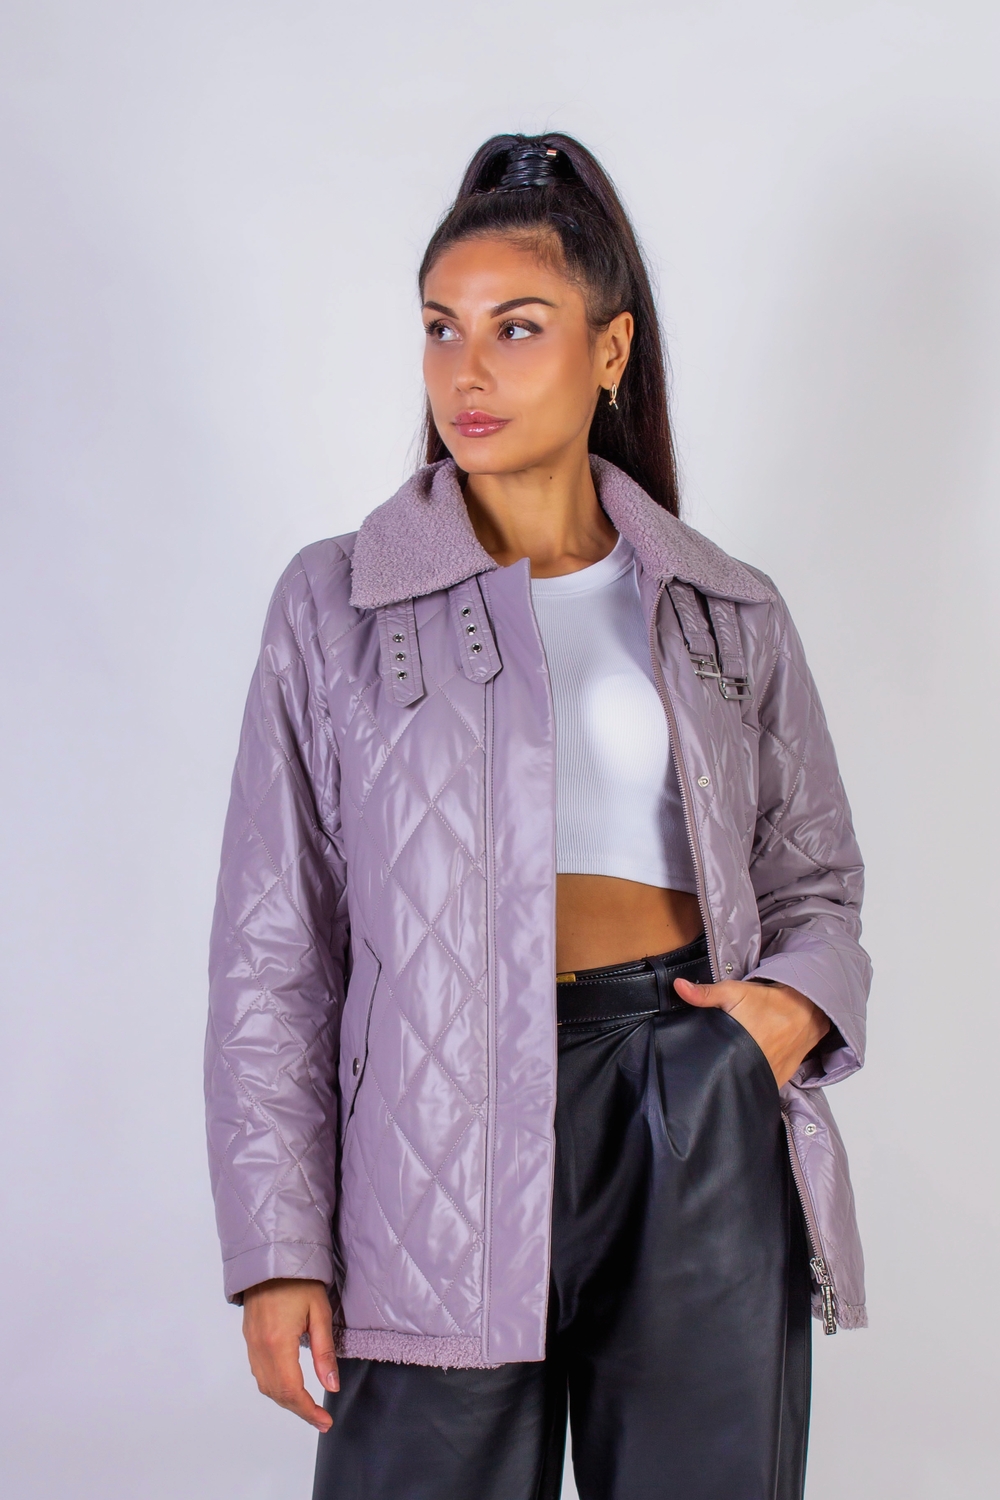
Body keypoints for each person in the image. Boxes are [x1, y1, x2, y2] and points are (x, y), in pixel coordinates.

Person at [204, 133, 871, 1500]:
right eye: (440, 328)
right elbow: (275, 953)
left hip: (687, 1096)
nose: (468, 370)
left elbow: (814, 878)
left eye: (517, 328)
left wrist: (779, 1021)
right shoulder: (335, 604)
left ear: (609, 350)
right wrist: (277, 1251)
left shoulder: (723, 606)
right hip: (428, 1140)